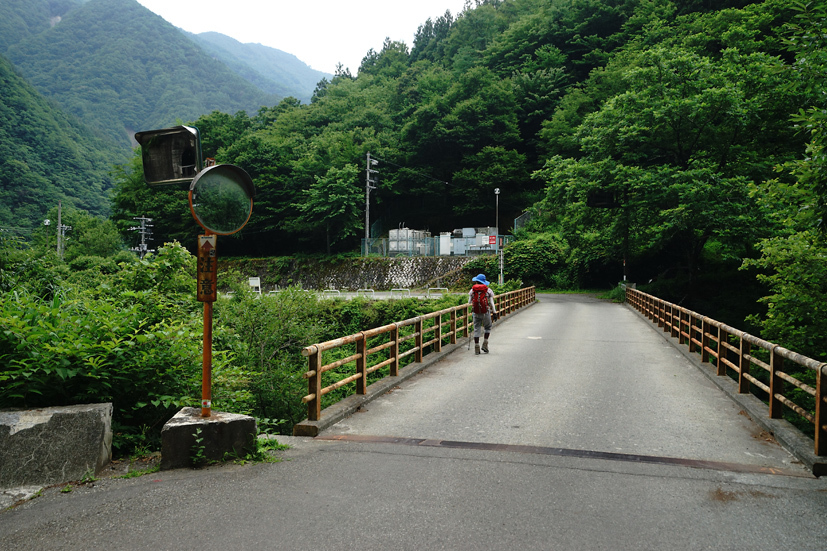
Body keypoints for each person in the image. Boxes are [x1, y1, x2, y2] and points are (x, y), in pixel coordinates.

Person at [468, 273, 498, 355]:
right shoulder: (488, 290)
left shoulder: (472, 290)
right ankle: (485, 344)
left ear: (476, 281)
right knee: (487, 327)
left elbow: (469, 302)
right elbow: (492, 303)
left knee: (477, 328)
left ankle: (477, 347)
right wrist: (494, 313)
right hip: (486, 312)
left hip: (476, 312)